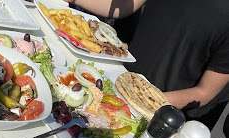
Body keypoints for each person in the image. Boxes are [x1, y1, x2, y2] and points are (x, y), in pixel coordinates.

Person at [64, 0, 229, 131]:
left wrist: (139, 101)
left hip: (155, 115)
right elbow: (123, 5)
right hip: (115, 76)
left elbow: (204, 92)